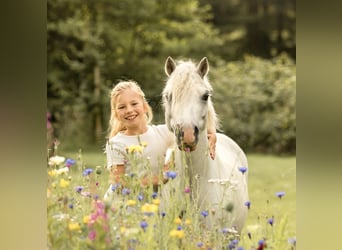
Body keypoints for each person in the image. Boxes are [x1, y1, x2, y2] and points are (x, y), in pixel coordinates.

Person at [104, 80, 216, 199]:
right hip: (125, 206)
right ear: (116, 114)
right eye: (122, 107)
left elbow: (193, 132)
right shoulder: (116, 144)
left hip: (157, 206)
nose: (129, 110)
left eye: (134, 104)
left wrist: (212, 134)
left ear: (145, 106)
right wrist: (158, 179)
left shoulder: (165, 132)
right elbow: (118, 183)